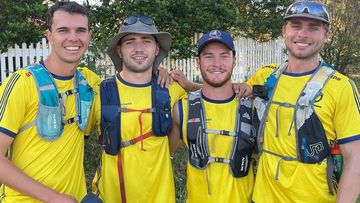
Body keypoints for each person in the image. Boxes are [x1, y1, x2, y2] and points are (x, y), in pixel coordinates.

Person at [247, 1, 360, 202]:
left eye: (313, 28)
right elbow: (229, 90)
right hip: (262, 197)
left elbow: (356, 159)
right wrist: (184, 84)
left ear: (327, 34)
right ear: (284, 31)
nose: (302, 34)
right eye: (296, 25)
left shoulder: (341, 87)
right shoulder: (265, 76)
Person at [0, 1, 101, 202]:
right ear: (49, 36)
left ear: (89, 35)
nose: (73, 38)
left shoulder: (89, 82)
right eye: (63, 30)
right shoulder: (22, 83)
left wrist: (161, 73)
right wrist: (53, 198)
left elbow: (129, 87)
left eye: (81, 30)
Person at [91, 15, 187, 203]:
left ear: (156, 48)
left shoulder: (173, 90)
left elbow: (218, 92)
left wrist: (190, 84)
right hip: (111, 197)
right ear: (119, 50)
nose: (139, 48)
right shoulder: (99, 92)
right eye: (130, 41)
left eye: (146, 41)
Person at [169, 29, 258, 202]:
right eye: (209, 56)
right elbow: (158, 154)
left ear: (234, 60)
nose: (217, 63)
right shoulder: (181, 109)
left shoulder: (253, 108)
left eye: (224, 56)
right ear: (198, 62)